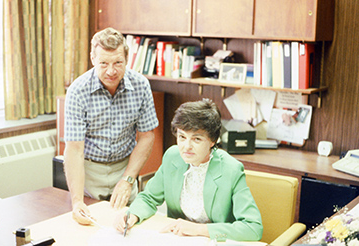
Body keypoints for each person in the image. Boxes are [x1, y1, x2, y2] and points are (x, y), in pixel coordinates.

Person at [113, 99, 263, 241]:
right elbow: (149, 198)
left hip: (214, 240)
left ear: (213, 140)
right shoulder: (172, 157)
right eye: (182, 137)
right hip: (177, 239)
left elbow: (253, 228)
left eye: (197, 139)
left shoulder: (231, 169)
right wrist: (133, 215)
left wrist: (200, 230)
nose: (186, 147)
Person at [63, 27, 159, 225]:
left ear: (127, 58)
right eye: (103, 63)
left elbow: (147, 136)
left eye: (118, 63)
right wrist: (77, 201)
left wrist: (128, 179)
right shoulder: (77, 91)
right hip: (88, 172)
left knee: (127, 228)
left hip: (125, 167)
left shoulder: (141, 85)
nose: (111, 71)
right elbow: (74, 149)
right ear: (92, 59)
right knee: (90, 230)